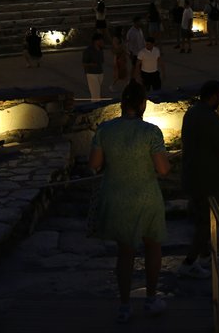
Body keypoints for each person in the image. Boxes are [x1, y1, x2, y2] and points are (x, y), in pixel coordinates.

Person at [88, 82, 171, 322]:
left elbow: (94, 165)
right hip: (146, 197)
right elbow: (163, 169)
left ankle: (124, 306)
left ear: (122, 104)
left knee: (125, 253)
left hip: (115, 197)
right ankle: (151, 299)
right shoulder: (151, 132)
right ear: (143, 104)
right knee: (153, 246)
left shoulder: (105, 130)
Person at [179, 80, 219, 279]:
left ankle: (205, 255)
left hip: (192, 174)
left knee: (200, 219)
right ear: (213, 96)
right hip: (208, 178)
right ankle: (189, 262)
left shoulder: (191, 113)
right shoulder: (210, 118)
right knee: (206, 222)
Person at [82, 32, 106, 101]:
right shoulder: (88, 50)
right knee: (95, 93)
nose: (102, 42)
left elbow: (102, 60)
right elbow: (84, 63)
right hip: (91, 73)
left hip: (100, 72)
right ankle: (95, 107)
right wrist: (91, 64)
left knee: (97, 92)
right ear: (96, 41)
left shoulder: (100, 49)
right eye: (100, 40)